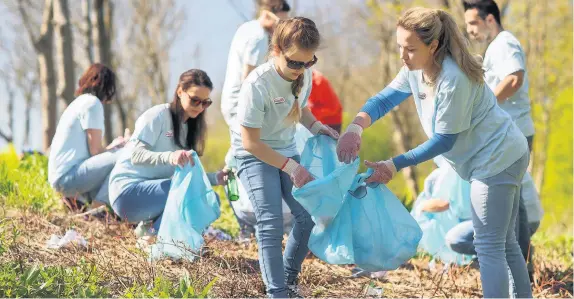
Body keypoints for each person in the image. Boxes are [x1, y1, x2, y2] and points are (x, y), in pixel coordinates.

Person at [336, 7, 531, 298]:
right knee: (505, 244)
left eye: (411, 49)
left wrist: (394, 164)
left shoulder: (453, 78)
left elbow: (444, 141)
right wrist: (355, 126)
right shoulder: (416, 69)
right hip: (503, 152)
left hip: (496, 159)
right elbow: (383, 100)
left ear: (434, 46)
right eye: (400, 47)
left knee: (489, 246)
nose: (403, 56)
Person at [231, 17, 339, 298]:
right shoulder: (257, 84)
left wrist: (318, 128)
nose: (300, 69)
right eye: (294, 63)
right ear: (276, 50)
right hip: (253, 155)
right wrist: (291, 166)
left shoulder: (303, 78)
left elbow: (300, 110)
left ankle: (289, 280)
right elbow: (250, 143)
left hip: (286, 148)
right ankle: (276, 292)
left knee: (307, 216)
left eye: (308, 62)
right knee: (271, 222)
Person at [108, 69, 227, 244]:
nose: (200, 107)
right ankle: (152, 237)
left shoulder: (189, 129)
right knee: (190, 195)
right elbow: (136, 155)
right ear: (180, 91)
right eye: (195, 100)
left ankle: (149, 231)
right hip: (126, 193)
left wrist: (216, 178)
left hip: (151, 194)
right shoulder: (157, 116)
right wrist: (170, 156)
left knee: (210, 199)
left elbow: (190, 178)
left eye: (205, 103)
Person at [463, 0, 537, 279]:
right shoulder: (495, 47)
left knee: (511, 204)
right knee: (512, 204)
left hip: (515, 132)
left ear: (490, 19)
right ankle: (521, 269)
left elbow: (514, 78)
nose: (470, 30)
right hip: (509, 134)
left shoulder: (504, 42)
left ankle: (521, 270)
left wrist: (483, 109)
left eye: (473, 23)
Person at [221, 0, 292, 241]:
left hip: (231, 103)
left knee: (246, 151)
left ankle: (251, 217)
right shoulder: (259, 36)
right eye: (282, 20)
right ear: (273, 14)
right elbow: (248, 79)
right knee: (249, 152)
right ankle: (248, 219)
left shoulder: (246, 27)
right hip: (240, 104)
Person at [48, 63, 128, 211]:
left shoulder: (79, 103)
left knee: (117, 157)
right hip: (67, 178)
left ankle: (80, 201)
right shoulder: (93, 103)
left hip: (62, 177)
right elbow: (95, 151)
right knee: (126, 154)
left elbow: (90, 153)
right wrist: (117, 147)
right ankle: (98, 208)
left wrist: (112, 147)